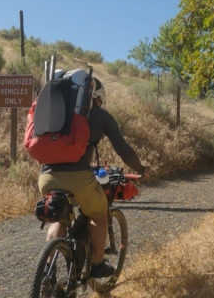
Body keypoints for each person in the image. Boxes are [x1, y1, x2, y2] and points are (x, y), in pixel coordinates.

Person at [36, 70, 145, 278]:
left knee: (59, 219)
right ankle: (97, 264)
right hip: (79, 178)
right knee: (99, 213)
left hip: (46, 177)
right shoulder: (99, 115)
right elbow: (124, 150)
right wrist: (141, 169)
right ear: (96, 97)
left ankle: (48, 269)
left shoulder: (55, 112)